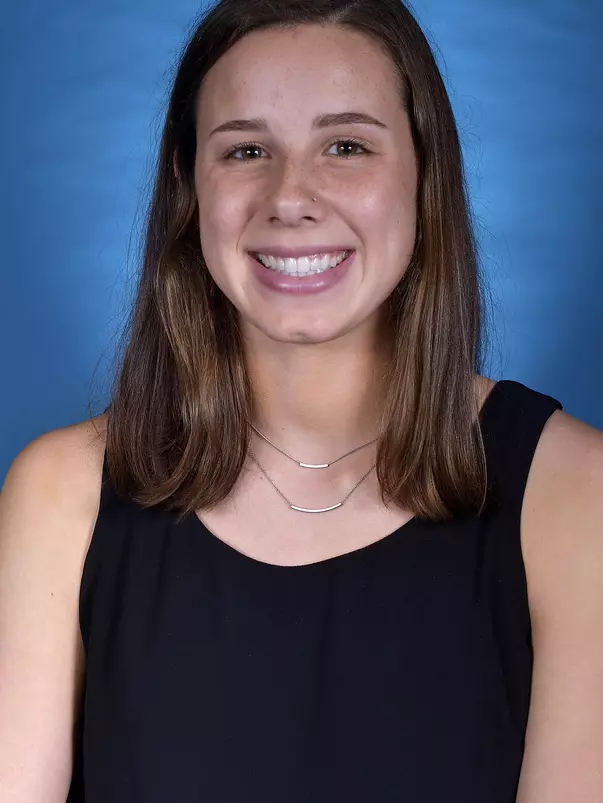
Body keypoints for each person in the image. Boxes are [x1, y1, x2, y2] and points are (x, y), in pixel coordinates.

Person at [1, 0, 602, 800]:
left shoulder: (576, 496)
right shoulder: (61, 493)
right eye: (245, 150)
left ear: (424, 175)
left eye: (345, 146)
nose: (290, 196)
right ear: (187, 183)